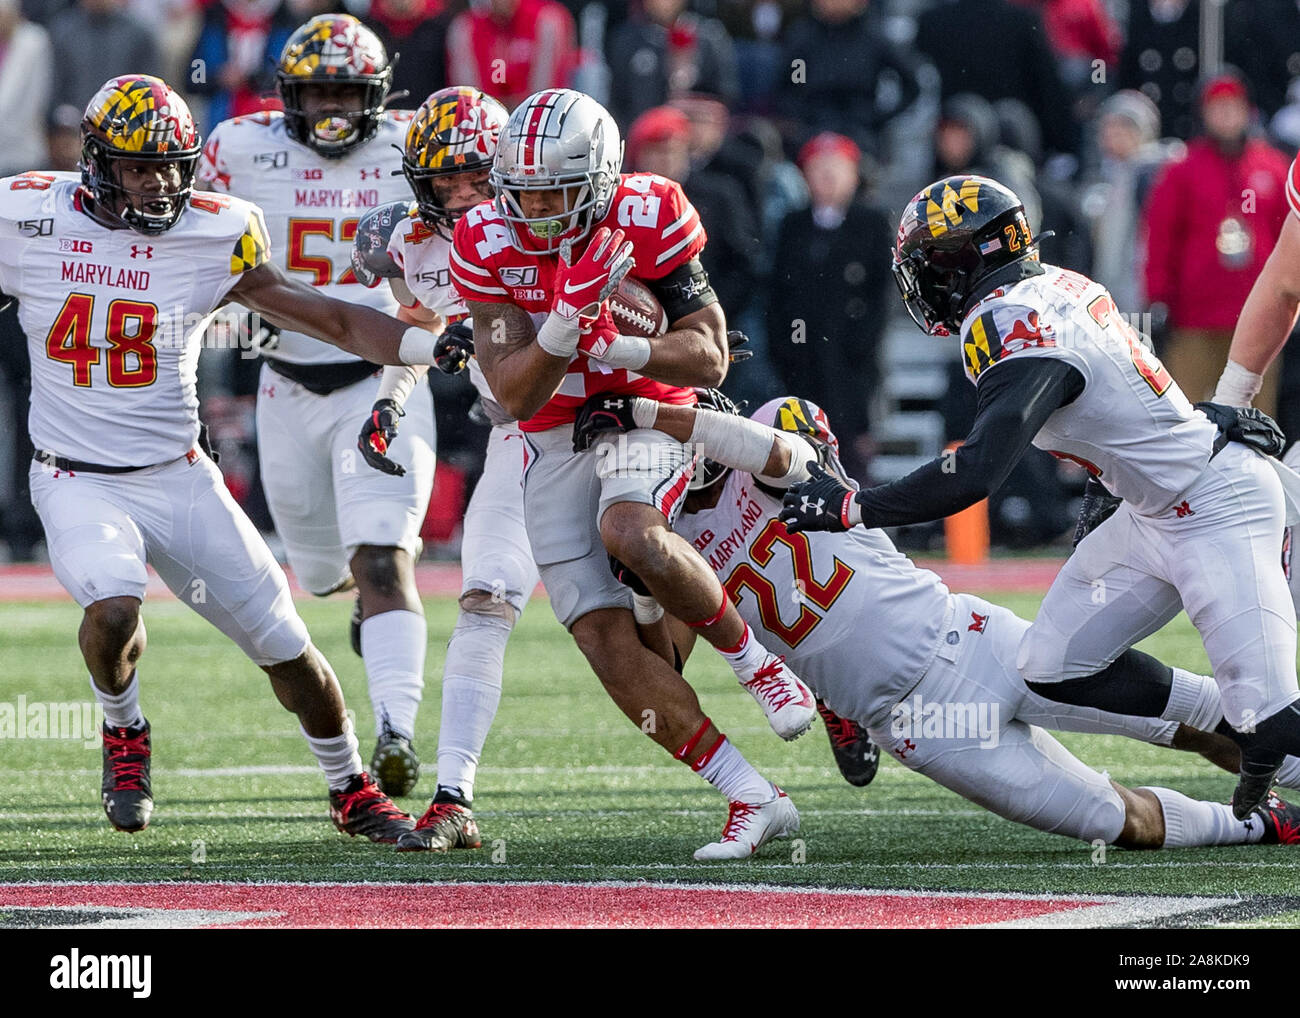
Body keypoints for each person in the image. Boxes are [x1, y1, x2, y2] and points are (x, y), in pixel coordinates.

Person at [777, 173, 1300, 820]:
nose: (921, 282)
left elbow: (976, 473)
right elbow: (1113, 417)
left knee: (1271, 720)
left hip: (1215, 505)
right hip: (1151, 508)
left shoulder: (1011, 319)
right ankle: (1237, 728)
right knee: (1053, 664)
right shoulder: (1055, 286)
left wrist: (851, 506)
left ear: (963, 259)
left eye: (927, 265)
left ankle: (1260, 733)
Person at [11, 74, 450, 839]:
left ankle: (350, 788)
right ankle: (124, 730)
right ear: (98, 163)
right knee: (113, 605)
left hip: (179, 474)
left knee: (291, 652)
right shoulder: (25, 218)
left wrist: (429, 343)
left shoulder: (217, 230)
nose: (160, 183)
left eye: (173, 166)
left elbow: (330, 320)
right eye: (140, 167)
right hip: (74, 476)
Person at [576, 391, 1300, 849]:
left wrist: (647, 412)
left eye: (691, 429)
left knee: (1193, 716)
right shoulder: (674, 547)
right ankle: (1262, 825)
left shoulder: (764, 447)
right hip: (918, 727)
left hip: (967, 638)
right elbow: (665, 666)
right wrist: (642, 581)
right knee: (1114, 822)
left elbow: (779, 450)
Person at [450, 87, 817, 859]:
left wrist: (620, 351)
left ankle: (756, 666)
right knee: (603, 636)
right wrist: (563, 323)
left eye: (554, 194)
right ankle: (752, 796)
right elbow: (515, 394)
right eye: (523, 195)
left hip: (642, 411)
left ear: (598, 180)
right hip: (549, 436)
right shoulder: (484, 238)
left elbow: (710, 353)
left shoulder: (649, 211)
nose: (536, 213)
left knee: (630, 529)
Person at [197, 14, 433, 798]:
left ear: (377, 94)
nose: (331, 107)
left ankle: (397, 732)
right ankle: (368, 610)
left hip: (384, 377)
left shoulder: (411, 143)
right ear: (287, 95)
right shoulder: (238, 148)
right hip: (284, 381)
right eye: (316, 90)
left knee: (381, 560)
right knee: (324, 574)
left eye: (345, 90)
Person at [347, 85, 538, 851]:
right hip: (521, 440)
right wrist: (391, 402)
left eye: (475, 178)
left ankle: (786, 679)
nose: (461, 196)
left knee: (677, 592)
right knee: (485, 599)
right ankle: (454, 796)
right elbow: (419, 327)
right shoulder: (407, 245)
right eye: (445, 182)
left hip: (613, 428)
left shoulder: (545, 228)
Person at [1141, 72, 1291, 416]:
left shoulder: (1272, 166)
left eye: (1232, 107)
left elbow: (1291, 238)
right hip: (1195, 319)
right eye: (1217, 108)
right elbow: (1160, 237)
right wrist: (1157, 297)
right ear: (1203, 114)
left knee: (1255, 418)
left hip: (1261, 319)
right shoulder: (1181, 170)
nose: (1225, 116)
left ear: (1247, 111)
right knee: (1186, 414)